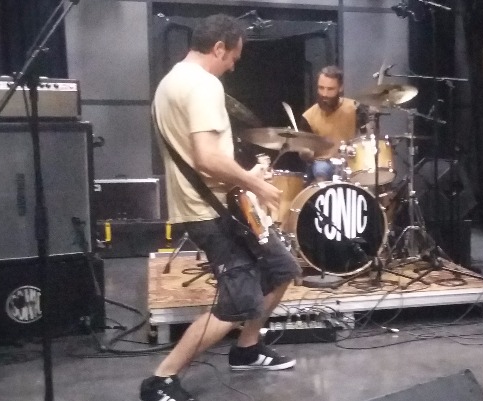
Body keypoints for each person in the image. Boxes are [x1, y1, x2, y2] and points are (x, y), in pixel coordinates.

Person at [141, 14, 301, 401]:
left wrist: (243, 178)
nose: (232, 67)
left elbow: (199, 157)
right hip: (210, 212)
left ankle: (247, 349)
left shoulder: (170, 82)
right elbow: (207, 158)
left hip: (215, 204)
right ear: (218, 48)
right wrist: (256, 184)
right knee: (238, 301)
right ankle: (161, 379)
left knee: (282, 267)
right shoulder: (203, 84)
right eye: (232, 58)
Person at [297, 65, 372, 181]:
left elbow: (368, 138)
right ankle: (323, 191)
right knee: (321, 169)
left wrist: (355, 148)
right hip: (323, 163)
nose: (324, 94)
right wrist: (305, 153)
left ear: (340, 88)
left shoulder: (354, 108)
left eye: (330, 89)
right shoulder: (308, 117)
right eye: (321, 88)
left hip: (351, 162)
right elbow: (305, 154)